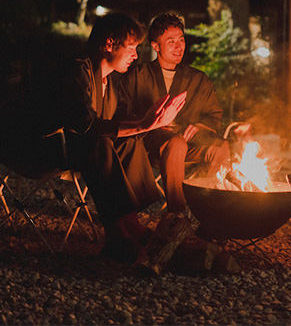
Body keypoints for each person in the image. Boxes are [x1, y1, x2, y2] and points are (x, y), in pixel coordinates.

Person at [1, 13, 187, 262]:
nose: (135, 55)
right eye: (131, 47)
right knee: (98, 141)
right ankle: (116, 236)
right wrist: (144, 124)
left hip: (75, 148)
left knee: (129, 141)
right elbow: (86, 125)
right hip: (37, 147)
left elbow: (120, 120)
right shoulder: (77, 72)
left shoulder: (111, 80)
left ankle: (131, 224)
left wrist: (152, 123)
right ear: (109, 44)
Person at [119, 12, 229, 216]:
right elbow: (122, 111)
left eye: (181, 40)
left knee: (221, 147)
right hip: (152, 146)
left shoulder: (198, 79)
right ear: (155, 45)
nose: (179, 47)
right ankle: (177, 213)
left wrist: (201, 126)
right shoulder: (137, 75)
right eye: (171, 41)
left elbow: (214, 113)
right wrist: (154, 122)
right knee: (176, 143)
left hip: (190, 144)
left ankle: (211, 211)